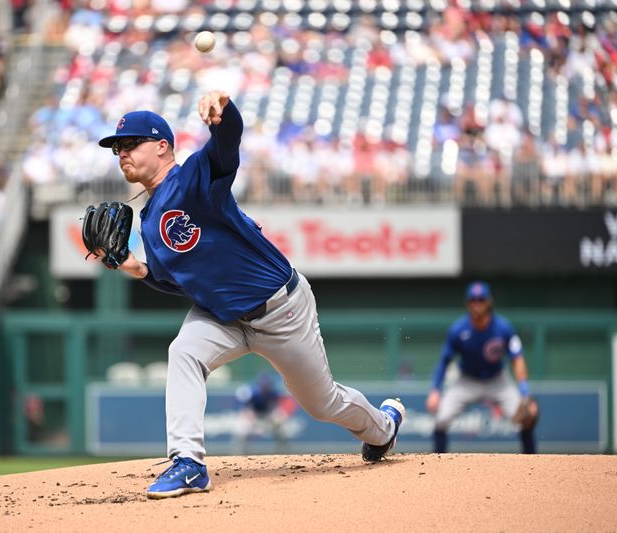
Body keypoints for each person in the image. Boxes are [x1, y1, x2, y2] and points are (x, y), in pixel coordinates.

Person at [95, 90, 405, 499]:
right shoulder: (150, 219)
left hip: (279, 309)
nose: (122, 153)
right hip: (221, 315)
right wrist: (139, 270)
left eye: (131, 143)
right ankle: (188, 463)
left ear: (162, 146)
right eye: (117, 148)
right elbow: (182, 280)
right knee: (183, 353)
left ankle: (383, 428)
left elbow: (226, 146)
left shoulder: (192, 178)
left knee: (322, 403)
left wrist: (223, 113)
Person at [425, 281, 537, 454]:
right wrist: (435, 390)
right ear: (467, 303)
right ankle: (437, 464)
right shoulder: (458, 329)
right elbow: (444, 361)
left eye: (481, 299)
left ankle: (533, 464)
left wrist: (525, 392)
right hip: (466, 380)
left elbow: (517, 359)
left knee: (526, 418)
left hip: (497, 379)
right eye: (473, 299)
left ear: (489, 302)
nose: (477, 303)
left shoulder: (503, 328)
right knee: (441, 420)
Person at [232, 371, 296, 455]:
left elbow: (280, 405)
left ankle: (283, 454)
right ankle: (239, 455)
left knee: (282, 431)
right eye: (263, 384)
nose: (265, 386)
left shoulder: (273, 393)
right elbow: (245, 407)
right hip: (254, 417)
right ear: (259, 384)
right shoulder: (254, 393)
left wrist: (278, 415)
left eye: (267, 384)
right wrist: (248, 414)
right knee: (241, 431)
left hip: (267, 417)